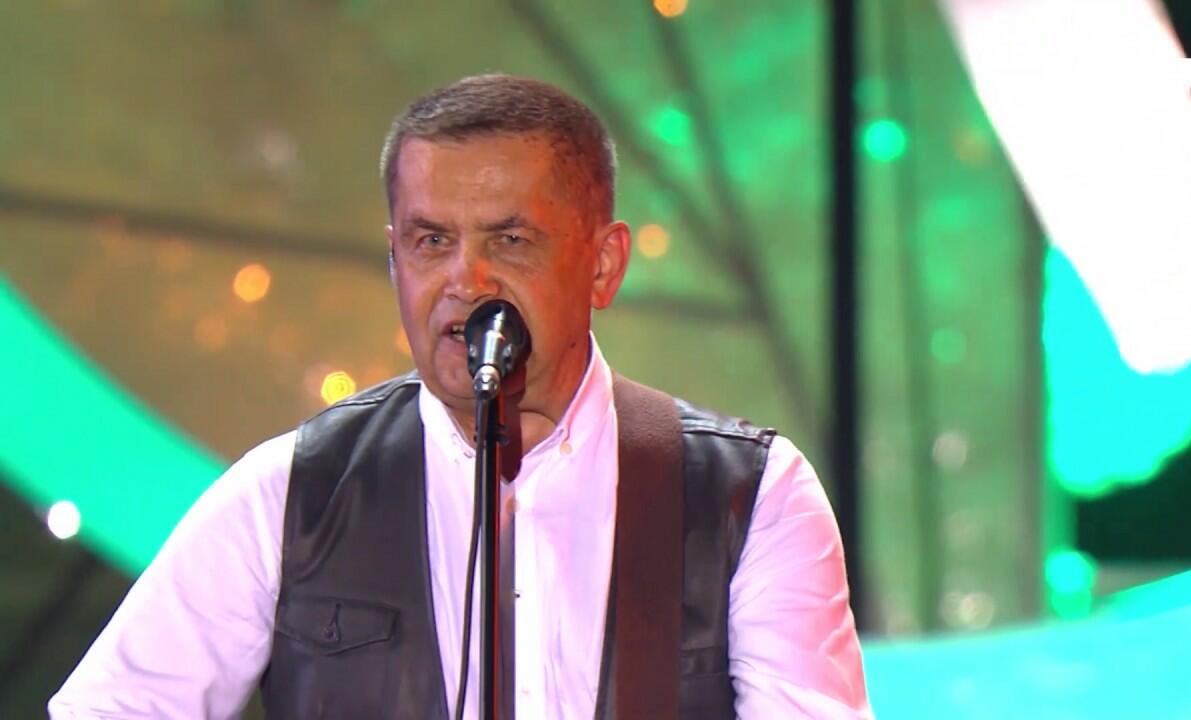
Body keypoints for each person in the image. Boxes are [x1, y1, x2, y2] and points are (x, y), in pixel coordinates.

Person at [49, 74, 872, 719]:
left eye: (509, 240)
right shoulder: (292, 493)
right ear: (394, 260)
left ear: (602, 265)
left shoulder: (749, 496)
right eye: (430, 241)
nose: (464, 281)